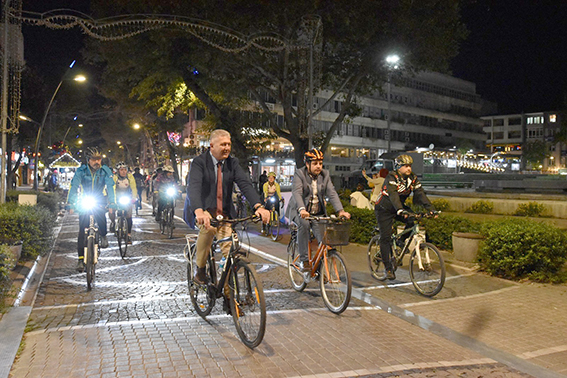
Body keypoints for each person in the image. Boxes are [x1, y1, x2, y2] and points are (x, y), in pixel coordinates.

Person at [185, 129, 270, 285]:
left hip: (224, 214)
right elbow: (194, 187)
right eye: (223, 144)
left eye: (229, 144)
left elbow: (245, 184)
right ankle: (200, 270)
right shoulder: (199, 162)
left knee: (230, 252)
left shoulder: (233, 163)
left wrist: (259, 206)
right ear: (211, 146)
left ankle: (229, 298)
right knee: (209, 229)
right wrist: (198, 211)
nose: (227, 148)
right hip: (204, 211)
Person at [285, 148, 350, 272]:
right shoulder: (300, 174)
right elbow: (297, 193)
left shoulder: (325, 175)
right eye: (315, 163)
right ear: (307, 164)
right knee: (304, 224)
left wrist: (340, 211)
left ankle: (319, 271)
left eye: (320, 163)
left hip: (317, 213)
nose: (318, 166)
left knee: (324, 241)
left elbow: (332, 193)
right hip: (299, 211)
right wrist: (302, 209)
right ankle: (304, 261)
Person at [375, 154, 436, 280]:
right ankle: (388, 268)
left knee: (413, 220)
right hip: (384, 209)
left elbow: (420, 194)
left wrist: (431, 210)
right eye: (406, 166)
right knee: (385, 237)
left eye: (410, 166)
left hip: (399, 207)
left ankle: (400, 241)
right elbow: (393, 195)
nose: (409, 168)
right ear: (398, 167)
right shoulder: (392, 177)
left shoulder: (412, 178)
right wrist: (400, 210)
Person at [66, 147, 116, 272]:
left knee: (101, 217)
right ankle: (80, 258)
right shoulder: (81, 171)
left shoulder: (105, 171)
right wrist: (71, 203)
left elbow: (110, 187)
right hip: (85, 199)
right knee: (82, 230)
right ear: (88, 160)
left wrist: (112, 203)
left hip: (100, 198)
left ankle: (103, 235)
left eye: (99, 159)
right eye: (94, 159)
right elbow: (74, 186)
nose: (97, 162)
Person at [109, 162, 137, 244]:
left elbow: (134, 188)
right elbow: (112, 189)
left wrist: (134, 198)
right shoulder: (114, 178)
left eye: (125, 170)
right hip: (116, 197)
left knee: (129, 215)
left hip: (126, 197)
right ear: (118, 171)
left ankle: (128, 234)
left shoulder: (130, 177)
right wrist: (112, 201)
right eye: (121, 170)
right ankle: (113, 222)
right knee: (112, 210)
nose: (124, 172)